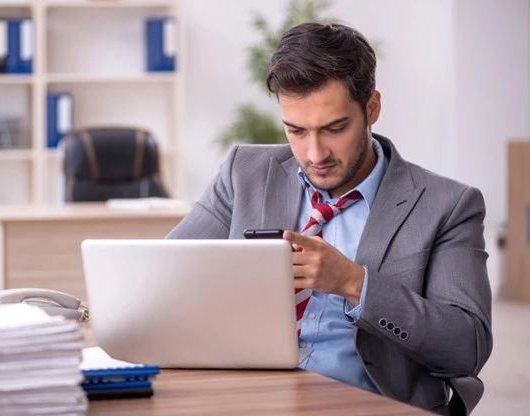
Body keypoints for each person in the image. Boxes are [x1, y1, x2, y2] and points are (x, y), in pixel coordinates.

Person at [167, 22, 492, 415]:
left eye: (334, 128)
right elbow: (169, 279)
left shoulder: (447, 205)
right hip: (249, 399)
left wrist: (354, 283)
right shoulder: (245, 173)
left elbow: (465, 349)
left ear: (371, 108)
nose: (315, 153)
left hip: (368, 405)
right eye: (296, 130)